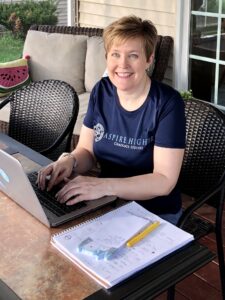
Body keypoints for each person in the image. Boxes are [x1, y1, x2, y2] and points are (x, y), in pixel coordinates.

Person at [38, 15, 186, 225]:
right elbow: (87, 151)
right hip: (106, 203)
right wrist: (69, 161)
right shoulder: (102, 91)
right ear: (107, 57)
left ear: (149, 59)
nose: (122, 64)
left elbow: (163, 181)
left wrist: (102, 186)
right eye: (115, 54)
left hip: (154, 215)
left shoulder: (168, 103)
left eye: (133, 55)